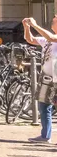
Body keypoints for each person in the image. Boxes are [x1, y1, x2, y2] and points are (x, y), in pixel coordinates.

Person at [23, 15, 57, 144]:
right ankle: (45, 135)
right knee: (44, 106)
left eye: (54, 21)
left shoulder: (53, 38)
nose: (52, 23)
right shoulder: (47, 40)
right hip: (48, 77)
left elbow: (51, 37)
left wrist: (35, 25)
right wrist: (27, 27)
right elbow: (30, 39)